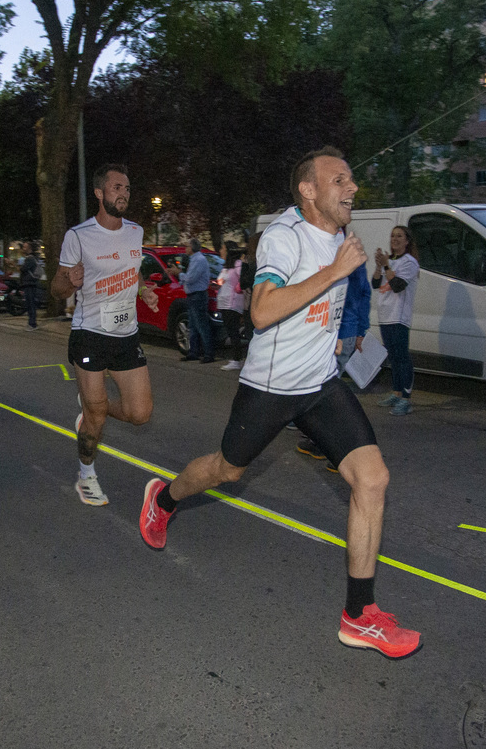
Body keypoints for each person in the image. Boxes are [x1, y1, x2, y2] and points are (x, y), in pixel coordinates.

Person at [138, 147, 421, 659]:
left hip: (320, 385)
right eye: (340, 180)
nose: (352, 188)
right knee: (227, 471)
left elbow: (342, 299)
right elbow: (264, 310)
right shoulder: (283, 237)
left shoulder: (341, 236)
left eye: (351, 179)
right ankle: (163, 499)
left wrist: (344, 332)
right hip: (271, 387)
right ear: (308, 190)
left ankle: (360, 616)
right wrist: (335, 273)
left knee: (372, 478)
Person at [51, 163, 161, 507]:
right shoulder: (79, 236)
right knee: (97, 416)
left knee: (140, 413)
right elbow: (55, 289)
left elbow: (132, 269)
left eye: (127, 188)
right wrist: (71, 281)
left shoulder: (135, 232)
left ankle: (91, 407)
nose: (123, 194)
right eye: (116, 188)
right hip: (90, 334)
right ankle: (86, 476)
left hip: (126, 335)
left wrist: (142, 290)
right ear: (99, 193)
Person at [297, 246, 372, 469]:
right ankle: (320, 441)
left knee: (328, 394)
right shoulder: (331, 254)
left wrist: (360, 330)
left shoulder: (347, 257)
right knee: (323, 389)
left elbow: (361, 294)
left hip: (341, 332)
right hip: (333, 332)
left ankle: (337, 450)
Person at [373, 226, 419, 416]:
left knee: (402, 356)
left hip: (399, 316)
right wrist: (378, 265)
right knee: (393, 357)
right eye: (392, 235)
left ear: (407, 241)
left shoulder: (409, 262)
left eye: (399, 236)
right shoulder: (389, 261)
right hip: (385, 315)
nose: (395, 239)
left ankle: (406, 399)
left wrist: (386, 266)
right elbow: (376, 284)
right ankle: (396, 392)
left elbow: (398, 286)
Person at [179, 238, 215, 363]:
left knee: (202, 326)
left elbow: (191, 278)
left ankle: (209, 354)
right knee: (193, 326)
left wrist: (179, 273)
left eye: (187, 246)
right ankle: (193, 352)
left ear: (193, 247)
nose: (185, 248)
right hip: (192, 296)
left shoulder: (199, 260)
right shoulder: (193, 259)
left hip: (198, 296)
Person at [216, 241, 246, 371]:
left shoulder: (237, 265)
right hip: (224, 302)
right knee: (231, 331)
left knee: (234, 332)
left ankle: (236, 360)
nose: (220, 251)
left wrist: (239, 287)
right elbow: (220, 281)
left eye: (222, 248)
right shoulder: (227, 266)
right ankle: (235, 358)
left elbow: (243, 280)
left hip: (232, 303)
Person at [20, 241, 42, 331]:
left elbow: (23, 269)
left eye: (25, 247)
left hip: (29, 283)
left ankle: (32, 324)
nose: (23, 249)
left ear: (29, 248)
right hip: (31, 283)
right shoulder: (33, 258)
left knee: (30, 304)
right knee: (30, 303)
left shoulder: (30, 259)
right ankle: (32, 323)